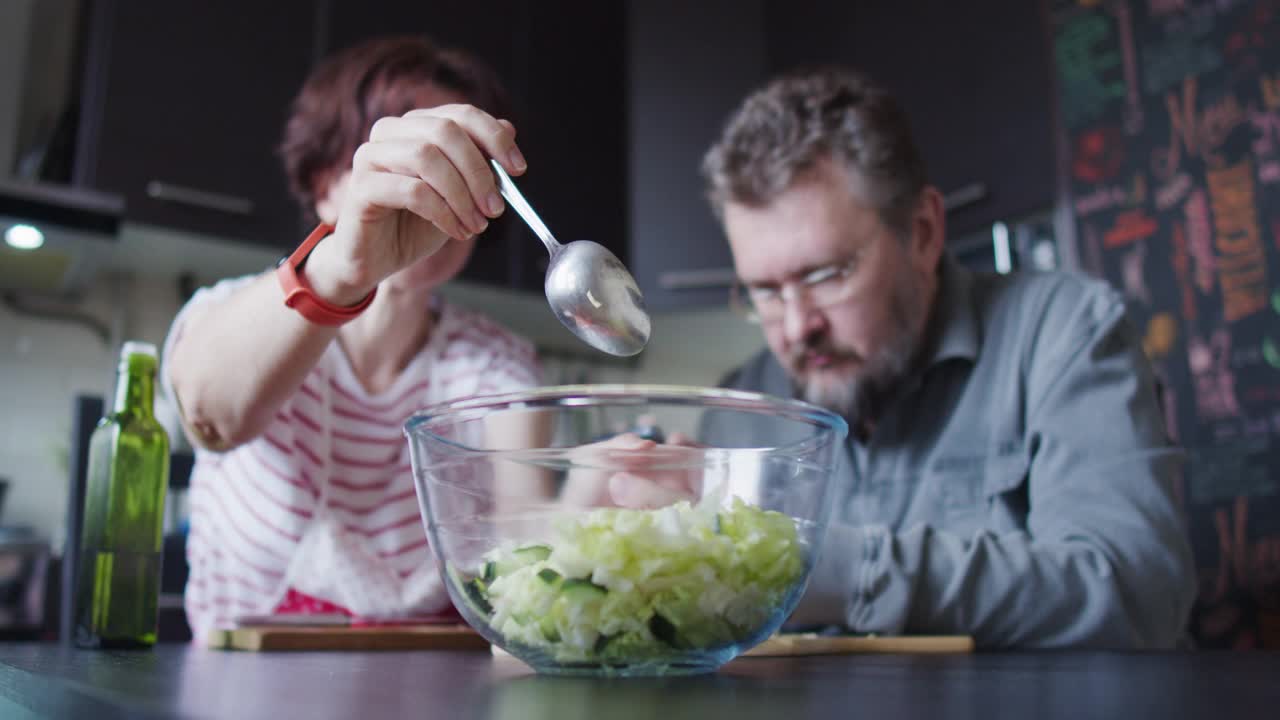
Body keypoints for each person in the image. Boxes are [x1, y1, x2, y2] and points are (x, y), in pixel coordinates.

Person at [689, 68, 1197, 648]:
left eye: (827, 275)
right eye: (765, 291)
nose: (798, 326)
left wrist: (825, 571)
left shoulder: (1064, 334)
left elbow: (1139, 596)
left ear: (924, 232)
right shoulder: (739, 412)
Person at [162, 36, 539, 640]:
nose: (427, 188)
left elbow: (527, 541)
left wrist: (606, 495)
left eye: (458, 165)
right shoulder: (238, 313)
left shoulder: (496, 364)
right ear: (323, 182)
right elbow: (212, 417)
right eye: (400, 157)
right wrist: (344, 267)